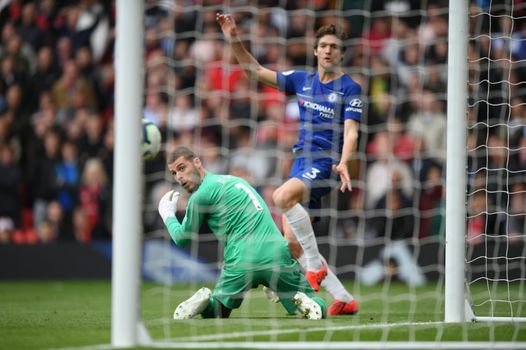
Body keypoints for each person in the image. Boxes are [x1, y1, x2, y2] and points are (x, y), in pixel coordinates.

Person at [216, 13, 361, 315]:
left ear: (342, 53)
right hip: (301, 163)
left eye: (334, 46)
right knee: (291, 247)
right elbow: (254, 70)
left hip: (327, 163)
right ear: (315, 50)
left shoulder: (350, 88)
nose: (328, 50)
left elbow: (351, 130)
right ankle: (345, 299)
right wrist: (233, 38)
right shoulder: (301, 81)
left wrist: (345, 160)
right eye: (323, 45)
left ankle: (315, 272)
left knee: (280, 196)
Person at [157, 146, 327, 320]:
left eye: (181, 168)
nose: (179, 177)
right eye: (174, 173)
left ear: (197, 162)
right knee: (311, 305)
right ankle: (306, 302)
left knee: (218, 311)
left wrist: (168, 215)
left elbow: (182, 238)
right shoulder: (235, 180)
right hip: (277, 253)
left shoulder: (200, 196)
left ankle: (207, 303)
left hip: (241, 260)